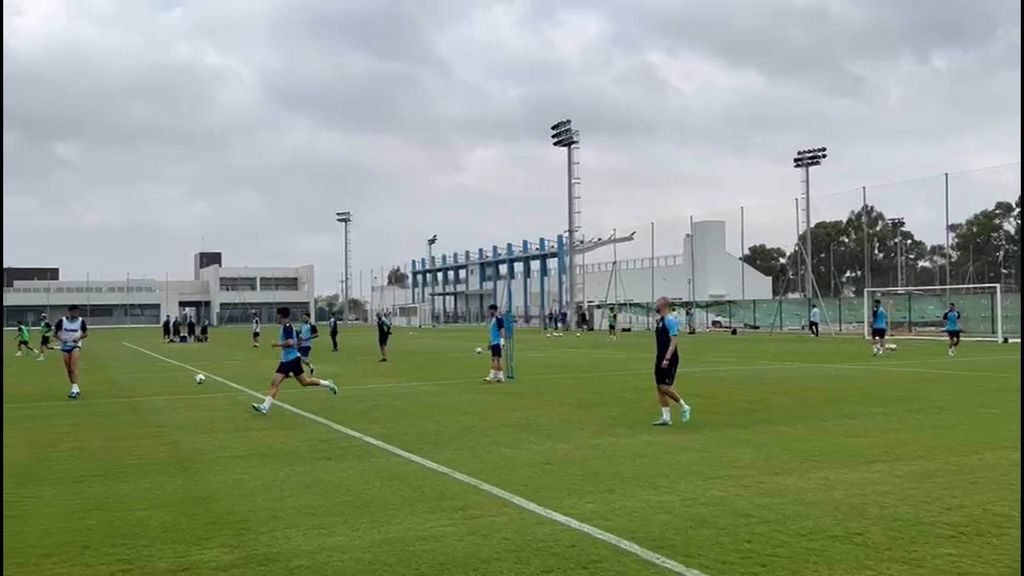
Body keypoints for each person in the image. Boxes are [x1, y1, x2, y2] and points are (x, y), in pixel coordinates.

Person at [251, 307, 337, 415]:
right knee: (304, 382)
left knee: (275, 383)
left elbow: (290, 342)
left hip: (290, 360)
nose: (276, 318)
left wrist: (277, 344)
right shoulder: (290, 326)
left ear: (280, 316)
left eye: (277, 315)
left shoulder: (287, 327)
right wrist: (298, 342)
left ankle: (265, 407)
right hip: (291, 359)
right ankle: (328, 384)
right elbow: (298, 340)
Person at [651, 297, 691, 426]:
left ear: (662, 305)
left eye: (657, 304)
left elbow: (674, 340)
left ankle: (684, 407)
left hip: (669, 357)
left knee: (665, 386)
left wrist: (667, 358)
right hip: (660, 356)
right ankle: (666, 417)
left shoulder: (670, 320)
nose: (655, 306)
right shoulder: (660, 320)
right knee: (659, 387)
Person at [54, 305, 88, 399]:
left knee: (73, 367)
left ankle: (74, 390)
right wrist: (61, 339)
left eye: (78, 312)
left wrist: (79, 338)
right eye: (75, 312)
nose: (77, 314)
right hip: (65, 346)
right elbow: (55, 334)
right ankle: (75, 388)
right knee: (68, 369)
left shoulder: (81, 321)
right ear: (70, 312)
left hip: (75, 346)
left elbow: (85, 333)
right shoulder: (62, 321)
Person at [483, 304, 506, 382]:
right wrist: (490, 343)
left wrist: (502, 341)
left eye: (489, 310)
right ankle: (500, 376)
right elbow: (492, 333)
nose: (489, 312)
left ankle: (491, 376)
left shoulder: (498, 319)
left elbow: (502, 330)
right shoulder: (493, 320)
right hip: (493, 342)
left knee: (494, 359)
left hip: (497, 342)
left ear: (493, 310)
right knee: (498, 360)